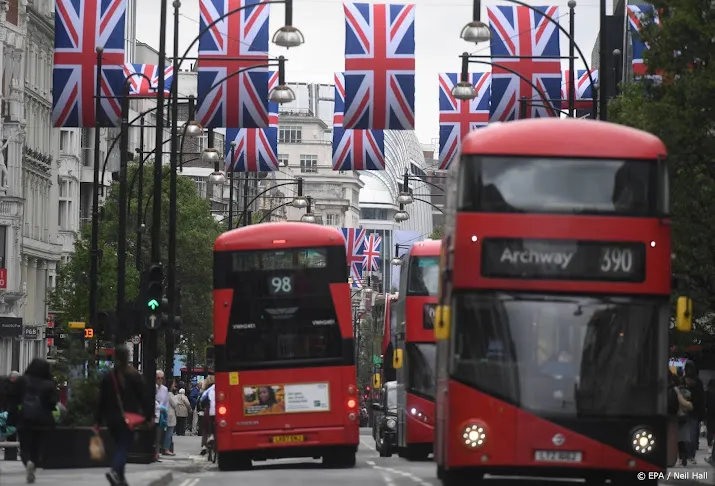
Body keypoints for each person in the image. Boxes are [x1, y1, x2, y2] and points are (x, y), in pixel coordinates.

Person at [95, 345, 144, 486]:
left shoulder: (108, 377)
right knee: (123, 446)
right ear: (127, 357)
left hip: (111, 418)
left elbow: (101, 399)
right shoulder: (134, 376)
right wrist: (147, 415)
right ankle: (115, 471)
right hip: (128, 418)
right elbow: (143, 397)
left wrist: (98, 420)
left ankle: (121, 479)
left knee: (118, 445)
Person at [9, 359, 58, 484]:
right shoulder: (49, 384)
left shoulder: (22, 381)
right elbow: (53, 402)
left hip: (25, 419)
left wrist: (13, 417)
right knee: (38, 446)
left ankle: (28, 462)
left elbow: (13, 399)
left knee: (25, 446)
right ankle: (34, 462)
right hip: (43, 421)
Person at [684, 361, 705, 464]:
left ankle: (690, 455)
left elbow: (701, 398)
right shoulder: (685, 382)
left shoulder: (695, 382)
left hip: (692, 411)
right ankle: (688, 455)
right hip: (688, 411)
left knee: (691, 435)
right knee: (689, 435)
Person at [154, 371, 168, 461]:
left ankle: (156, 454)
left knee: (159, 436)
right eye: (158, 378)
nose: (160, 380)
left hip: (161, 415)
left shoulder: (165, 389)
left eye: (162, 378)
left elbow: (166, 402)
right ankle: (152, 453)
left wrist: (165, 412)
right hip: (153, 414)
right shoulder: (152, 387)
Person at [162, 383, 177, 456]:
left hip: (166, 414)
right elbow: (175, 403)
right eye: (173, 384)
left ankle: (166, 448)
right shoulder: (170, 394)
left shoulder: (165, 392)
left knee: (167, 432)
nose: (174, 385)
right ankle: (166, 449)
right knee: (169, 432)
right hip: (170, 415)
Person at [705, 378, 715, 465]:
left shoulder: (709, 393)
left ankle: (710, 447)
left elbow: (706, 404)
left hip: (710, 415)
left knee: (710, 431)